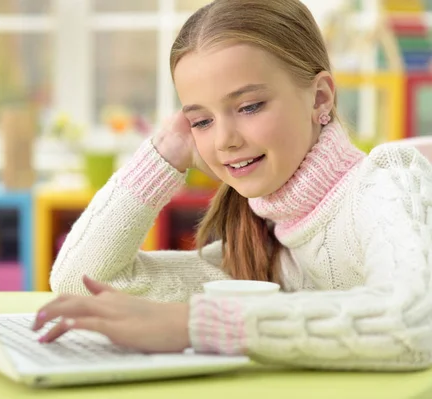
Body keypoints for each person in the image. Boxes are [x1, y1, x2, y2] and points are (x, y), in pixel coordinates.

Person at [32, 0, 432, 370]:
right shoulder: (258, 251)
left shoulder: (387, 182)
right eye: (201, 120)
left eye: (249, 106)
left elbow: (417, 322)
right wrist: (162, 156)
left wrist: (194, 324)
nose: (224, 140)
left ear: (320, 98)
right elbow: (81, 283)